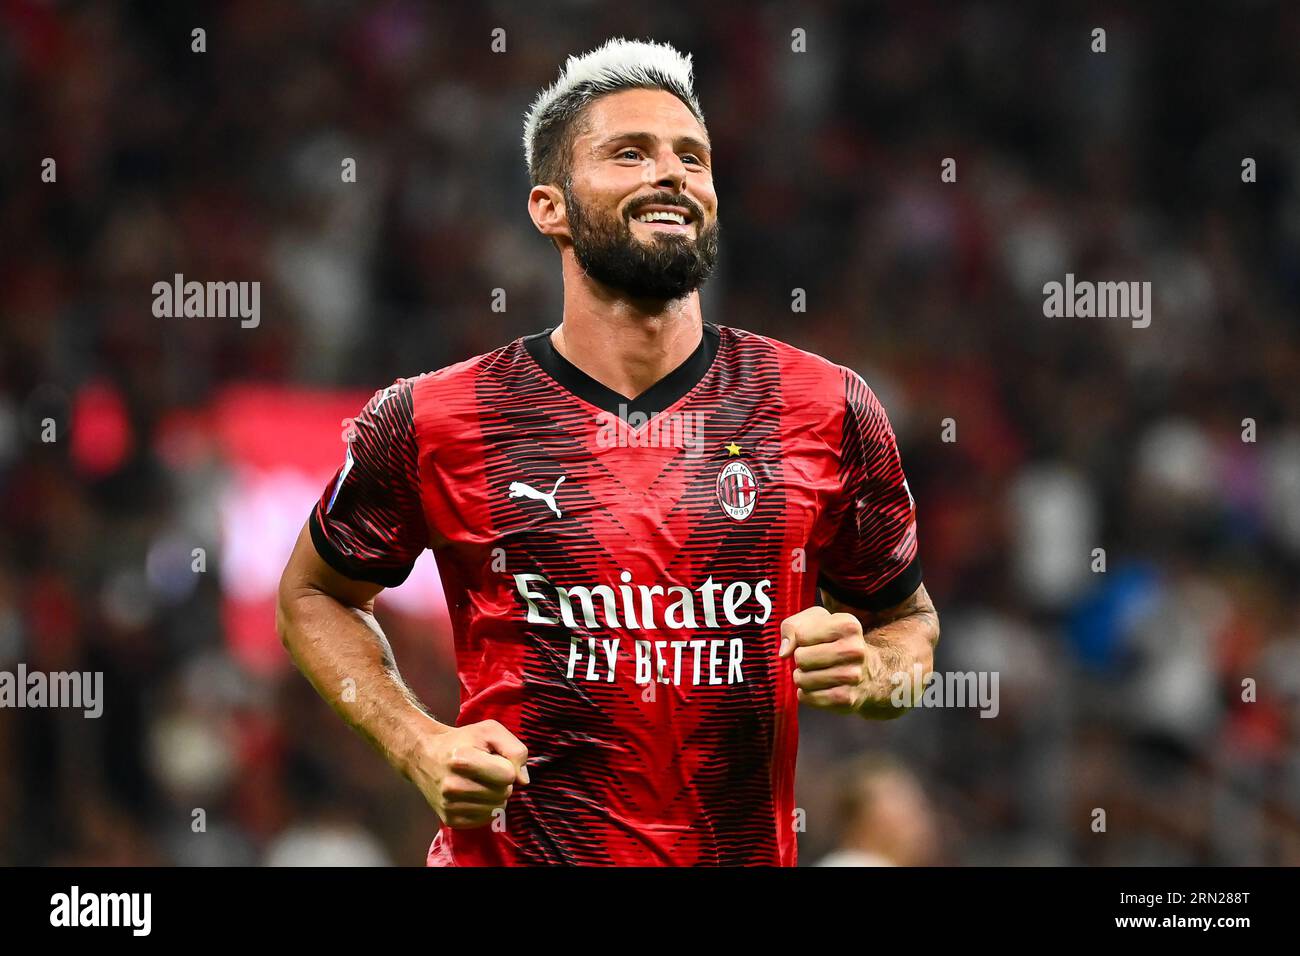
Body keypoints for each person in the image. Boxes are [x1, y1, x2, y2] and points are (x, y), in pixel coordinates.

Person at [276, 37, 940, 866]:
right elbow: (313, 595)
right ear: (549, 206)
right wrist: (417, 743)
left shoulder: (826, 405)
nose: (672, 174)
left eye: (691, 158)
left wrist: (883, 679)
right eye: (630, 153)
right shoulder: (432, 417)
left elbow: (907, 624)